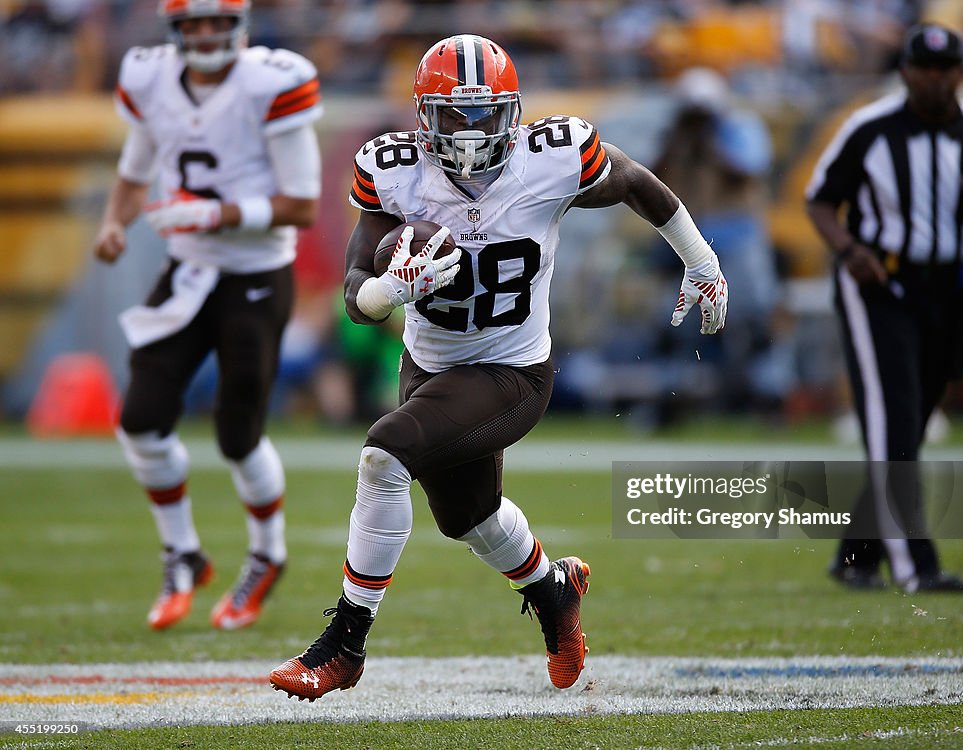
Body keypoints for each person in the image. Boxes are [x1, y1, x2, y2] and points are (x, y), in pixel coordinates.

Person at [269, 33, 728, 700]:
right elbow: (354, 298)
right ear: (425, 116)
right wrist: (392, 289)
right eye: (457, 113)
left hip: (513, 371)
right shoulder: (394, 171)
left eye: (489, 111)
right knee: (470, 517)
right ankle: (554, 591)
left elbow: (633, 181)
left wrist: (702, 260)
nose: (475, 128)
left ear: (513, 111)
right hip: (429, 366)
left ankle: (344, 645)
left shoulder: (551, 158)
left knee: (385, 453)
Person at [92, 0, 322, 630]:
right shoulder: (150, 77)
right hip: (188, 269)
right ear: (174, 30)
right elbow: (135, 169)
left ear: (237, 23)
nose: (204, 33)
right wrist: (114, 221)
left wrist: (215, 214)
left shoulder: (270, 80)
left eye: (214, 21)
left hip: (255, 273)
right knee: (140, 418)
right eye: (191, 23)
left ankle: (268, 554)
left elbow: (302, 204)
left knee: (237, 432)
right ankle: (182, 552)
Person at [805, 23, 963, 593]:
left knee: (908, 426)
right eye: (922, 68)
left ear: (960, 72)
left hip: (949, 288)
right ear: (904, 71)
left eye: (943, 68)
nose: (932, 78)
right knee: (895, 425)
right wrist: (849, 250)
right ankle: (914, 568)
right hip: (880, 285)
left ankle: (855, 556)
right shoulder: (868, 128)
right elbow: (820, 200)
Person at [652, 67, 791, 413]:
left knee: (755, 316)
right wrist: (679, 140)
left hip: (740, 235)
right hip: (692, 240)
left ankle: (769, 392)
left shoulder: (739, 127)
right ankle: (674, 396)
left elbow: (750, 167)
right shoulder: (678, 136)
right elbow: (652, 177)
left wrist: (710, 141)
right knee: (677, 319)